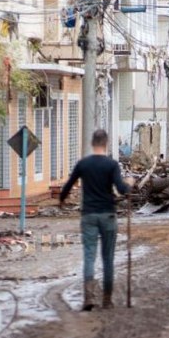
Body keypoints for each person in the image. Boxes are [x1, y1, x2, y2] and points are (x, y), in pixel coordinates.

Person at [59, 129, 132, 311]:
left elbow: (67, 186)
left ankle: (89, 298)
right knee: (108, 259)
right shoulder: (112, 165)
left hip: (89, 215)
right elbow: (122, 189)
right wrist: (129, 183)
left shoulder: (83, 164)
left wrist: (62, 200)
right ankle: (107, 300)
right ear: (106, 144)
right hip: (108, 215)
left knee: (89, 257)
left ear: (92, 143)